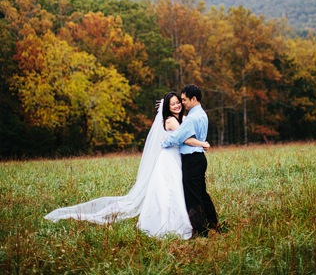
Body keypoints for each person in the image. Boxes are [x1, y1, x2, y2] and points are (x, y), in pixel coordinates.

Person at [44, 91, 209, 240]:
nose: (177, 105)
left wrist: (169, 107)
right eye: (172, 103)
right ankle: (170, 224)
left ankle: (184, 220)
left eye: (178, 102)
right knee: (169, 190)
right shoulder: (171, 120)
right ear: (167, 107)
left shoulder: (180, 118)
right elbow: (185, 138)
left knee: (176, 189)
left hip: (176, 157)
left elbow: (185, 125)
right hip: (169, 159)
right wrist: (203, 143)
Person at [161, 84, 220, 237]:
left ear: (193, 99)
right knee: (201, 193)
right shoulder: (202, 114)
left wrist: (164, 142)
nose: (183, 103)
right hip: (199, 158)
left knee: (193, 197)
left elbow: (181, 137)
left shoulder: (191, 118)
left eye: (184, 100)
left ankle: (200, 231)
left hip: (191, 159)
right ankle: (213, 224)